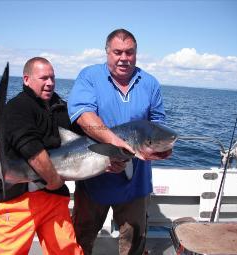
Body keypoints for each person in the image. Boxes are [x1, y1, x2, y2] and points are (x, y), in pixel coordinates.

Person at [67, 29, 172, 255]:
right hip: (93, 179)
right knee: (80, 241)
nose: (124, 58)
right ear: (107, 52)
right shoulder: (90, 77)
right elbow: (84, 116)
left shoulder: (150, 83)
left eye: (129, 52)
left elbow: (158, 125)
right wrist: (116, 147)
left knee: (133, 245)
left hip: (136, 185)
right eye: (117, 52)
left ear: (136, 53)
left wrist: (162, 149)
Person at [0, 57, 83, 255]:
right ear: (26, 79)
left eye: (52, 78)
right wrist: (53, 181)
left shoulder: (61, 108)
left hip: (54, 199)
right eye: (43, 78)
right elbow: (31, 149)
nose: (50, 83)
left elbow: (82, 143)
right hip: (18, 199)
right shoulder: (17, 107)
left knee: (68, 252)